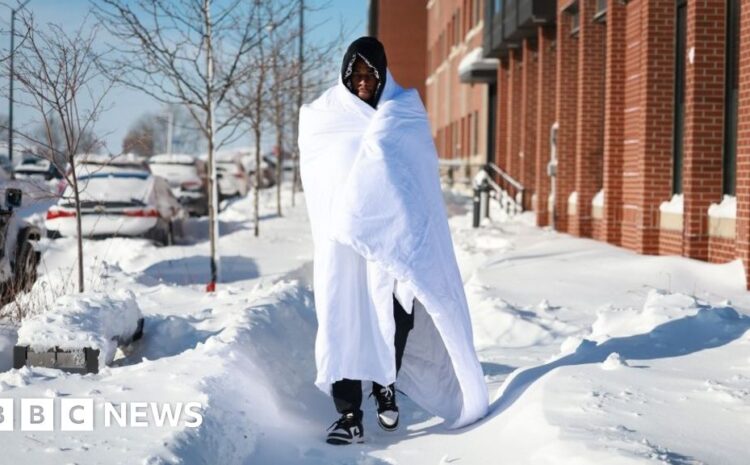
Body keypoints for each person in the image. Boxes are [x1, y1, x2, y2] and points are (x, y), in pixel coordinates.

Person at [298, 37, 489, 446]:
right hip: (343, 246)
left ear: (383, 75)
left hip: (394, 237)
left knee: (396, 315)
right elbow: (319, 179)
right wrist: (346, 215)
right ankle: (348, 414)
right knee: (344, 319)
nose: (364, 81)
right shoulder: (321, 117)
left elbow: (416, 176)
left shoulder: (404, 111)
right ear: (346, 75)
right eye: (357, 74)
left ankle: (386, 384)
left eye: (371, 74)